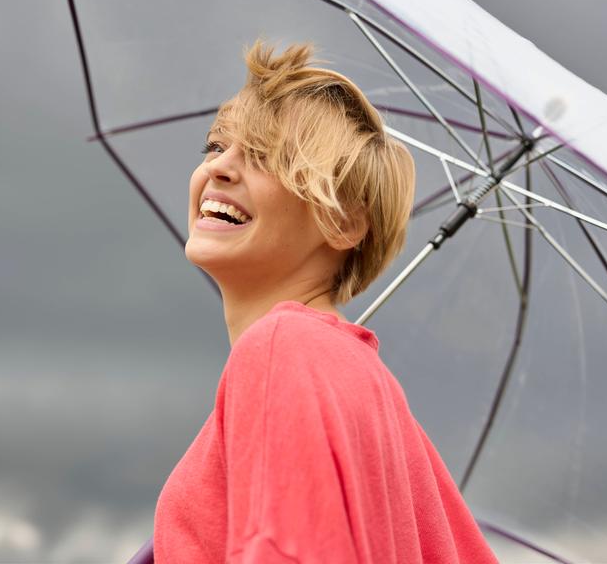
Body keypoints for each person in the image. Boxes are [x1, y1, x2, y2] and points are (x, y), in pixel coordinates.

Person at [152, 39, 499, 563]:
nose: (219, 169)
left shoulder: (283, 348)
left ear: (342, 222)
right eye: (215, 146)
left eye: (266, 156)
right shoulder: (362, 387)